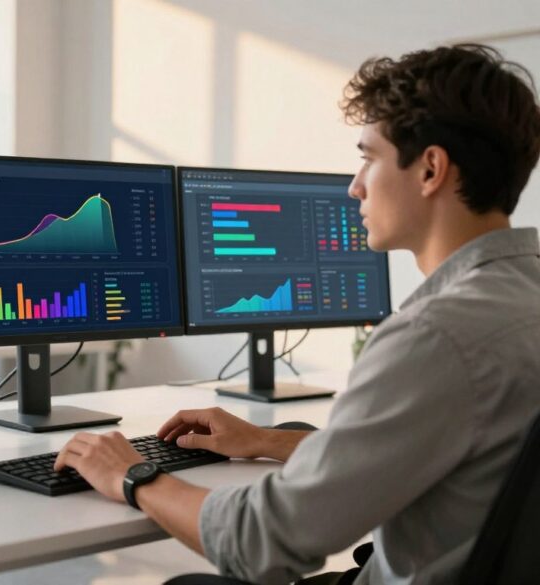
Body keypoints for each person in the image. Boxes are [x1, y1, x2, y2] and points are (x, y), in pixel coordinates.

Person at [55, 44, 540, 585]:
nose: (355, 186)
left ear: (430, 169)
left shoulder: (434, 339)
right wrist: (270, 441)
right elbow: (453, 454)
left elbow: (261, 544)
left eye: (368, 157)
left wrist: (132, 474)